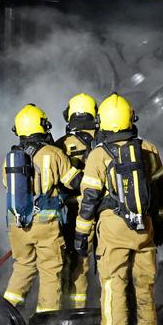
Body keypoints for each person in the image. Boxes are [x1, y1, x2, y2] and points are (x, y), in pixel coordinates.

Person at [74, 93, 163, 325]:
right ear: (131, 118)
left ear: (102, 122)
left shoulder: (98, 156)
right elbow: (162, 189)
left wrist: (82, 235)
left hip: (113, 227)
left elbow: (89, 200)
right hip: (145, 226)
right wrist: (158, 222)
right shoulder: (148, 149)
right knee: (144, 284)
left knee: (114, 285)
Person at [2, 104, 83, 315]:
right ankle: (45, 323)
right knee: (50, 272)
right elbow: (74, 183)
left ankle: (6, 312)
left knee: (22, 268)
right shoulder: (54, 154)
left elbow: (7, 186)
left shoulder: (9, 159)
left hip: (17, 224)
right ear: (43, 126)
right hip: (45, 223)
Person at [55, 93, 98, 309]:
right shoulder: (105, 140)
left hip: (73, 213)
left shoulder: (62, 144)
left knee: (75, 262)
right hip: (104, 211)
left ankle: (72, 311)